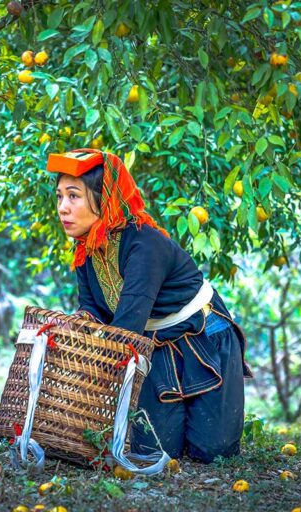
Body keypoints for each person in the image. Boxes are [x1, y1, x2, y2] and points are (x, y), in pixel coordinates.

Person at [46, 148, 253, 463]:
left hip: (204, 337)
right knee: (155, 452)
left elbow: (126, 328)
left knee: (213, 452)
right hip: (153, 344)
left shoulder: (144, 244)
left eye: (74, 196)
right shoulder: (86, 250)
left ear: (105, 198)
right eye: (60, 196)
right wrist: (72, 327)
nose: (63, 207)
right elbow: (93, 310)